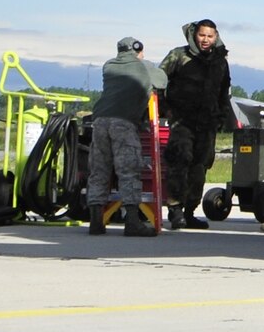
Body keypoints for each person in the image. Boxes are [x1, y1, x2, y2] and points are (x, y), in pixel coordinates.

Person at [87, 37, 165, 237]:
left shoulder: (109, 66)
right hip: (123, 122)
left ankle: (96, 222)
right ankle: (132, 222)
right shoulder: (143, 66)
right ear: (137, 50)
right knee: (129, 170)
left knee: (99, 170)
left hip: (100, 121)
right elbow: (162, 80)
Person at [159, 19, 233, 230]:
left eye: (210, 36)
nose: (205, 40)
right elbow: (158, 81)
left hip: (207, 123)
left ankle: (190, 211)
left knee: (200, 167)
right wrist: (166, 109)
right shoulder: (178, 55)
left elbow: (224, 90)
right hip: (182, 121)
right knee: (180, 160)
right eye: (202, 35)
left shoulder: (220, 62)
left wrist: (223, 117)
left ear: (216, 37)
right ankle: (175, 210)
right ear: (194, 35)